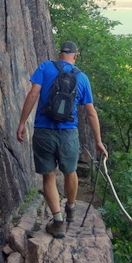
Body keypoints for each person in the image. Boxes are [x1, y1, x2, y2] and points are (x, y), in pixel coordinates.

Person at [16, 41, 108, 238]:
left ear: (60, 54)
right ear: (76, 55)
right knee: (70, 171)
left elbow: (33, 94)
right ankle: (71, 208)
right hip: (68, 134)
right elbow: (91, 113)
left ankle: (57, 222)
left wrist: (22, 122)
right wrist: (98, 141)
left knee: (49, 176)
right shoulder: (82, 78)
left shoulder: (45, 67)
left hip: (44, 132)